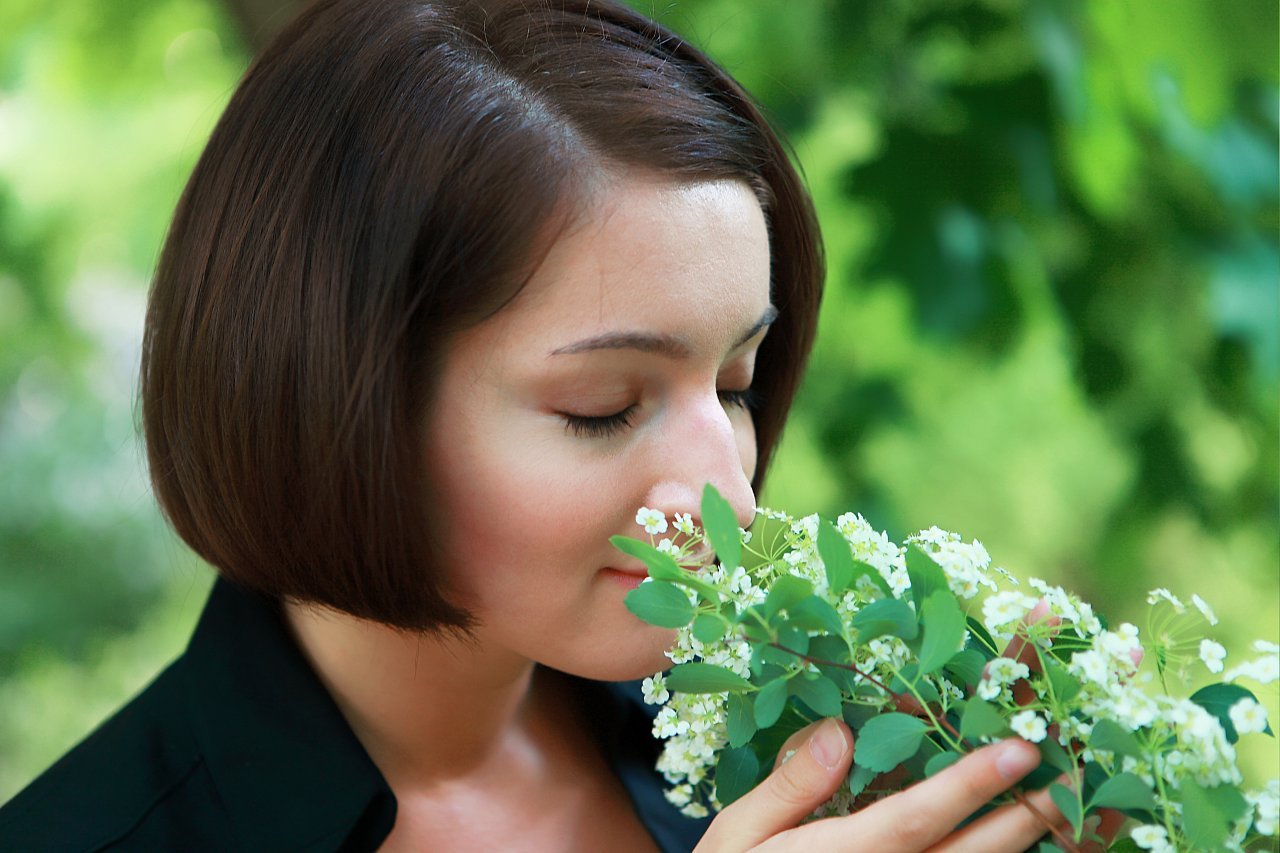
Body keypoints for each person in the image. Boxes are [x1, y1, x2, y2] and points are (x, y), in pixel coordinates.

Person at [0, 0, 1116, 849]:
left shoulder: (785, 741)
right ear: (330, 396)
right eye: (603, 407)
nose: (725, 488)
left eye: (734, 383)